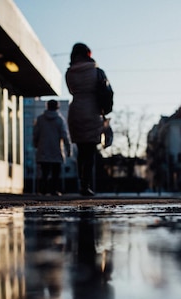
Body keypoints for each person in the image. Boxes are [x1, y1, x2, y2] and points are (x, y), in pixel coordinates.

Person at [65, 42, 113, 196]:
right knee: (91, 151)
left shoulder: (69, 72)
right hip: (93, 111)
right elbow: (106, 91)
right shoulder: (97, 71)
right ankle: (87, 184)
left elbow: (71, 89)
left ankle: (82, 183)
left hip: (76, 110)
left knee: (81, 150)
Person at [33, 99, 71, 196]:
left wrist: (35, 144)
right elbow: (64, 135)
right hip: (56, 150)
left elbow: (36, 134)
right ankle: (54, 190)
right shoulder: (60, 120)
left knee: (44, 172)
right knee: (55, 173)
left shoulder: (40, 119)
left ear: (47, 106)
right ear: (57, 107)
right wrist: (68, 148)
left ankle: (43, 190)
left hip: (43, 149)